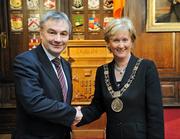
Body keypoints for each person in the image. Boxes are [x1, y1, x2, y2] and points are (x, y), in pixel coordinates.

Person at [77, 17, 164, 139]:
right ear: (108, 43)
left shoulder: (146, 68)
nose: (121, 45)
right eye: (116, 40)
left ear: (132, 41)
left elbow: (155, 113)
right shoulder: (102, 71)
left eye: (125, 40)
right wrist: (76, 115)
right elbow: (97, 107)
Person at [12, 11, 82, 139]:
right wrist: (72, 113)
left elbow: (60, 100)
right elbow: (34, 102)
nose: (58, 39)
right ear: (41, 33)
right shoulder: (25, 61)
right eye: (52, 32)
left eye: (63, 34)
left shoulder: (65, 65)